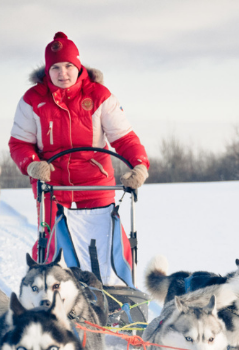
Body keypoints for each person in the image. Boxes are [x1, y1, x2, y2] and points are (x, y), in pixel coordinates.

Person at [9, 32, 149, 287]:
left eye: (68, 66)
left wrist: (139, 165)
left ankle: (112, 293)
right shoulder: (33, 100)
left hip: (95, 184)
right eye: (56, 67)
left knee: (105, 242)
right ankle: (47, 295)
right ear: (47, 71)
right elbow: (19, 143)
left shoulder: (99, 96)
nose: (63, 73)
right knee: (51, 242)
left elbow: (125, 138)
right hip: (52, 185)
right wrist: (31, 163)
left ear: (79, 66)